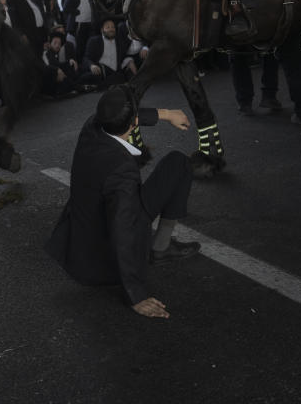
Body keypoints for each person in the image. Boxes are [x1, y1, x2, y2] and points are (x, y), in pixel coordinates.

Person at [45, 86, 201, 319]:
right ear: (133, 124)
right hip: (102, 258)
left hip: (81, 238)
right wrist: (136, 294)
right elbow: (123, 230)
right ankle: (160, 249)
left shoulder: (92, 127)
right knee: (179, 164)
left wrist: (166, 114)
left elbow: (124, 115)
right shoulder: (121, 171)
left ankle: (161, 247)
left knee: (176, 162)